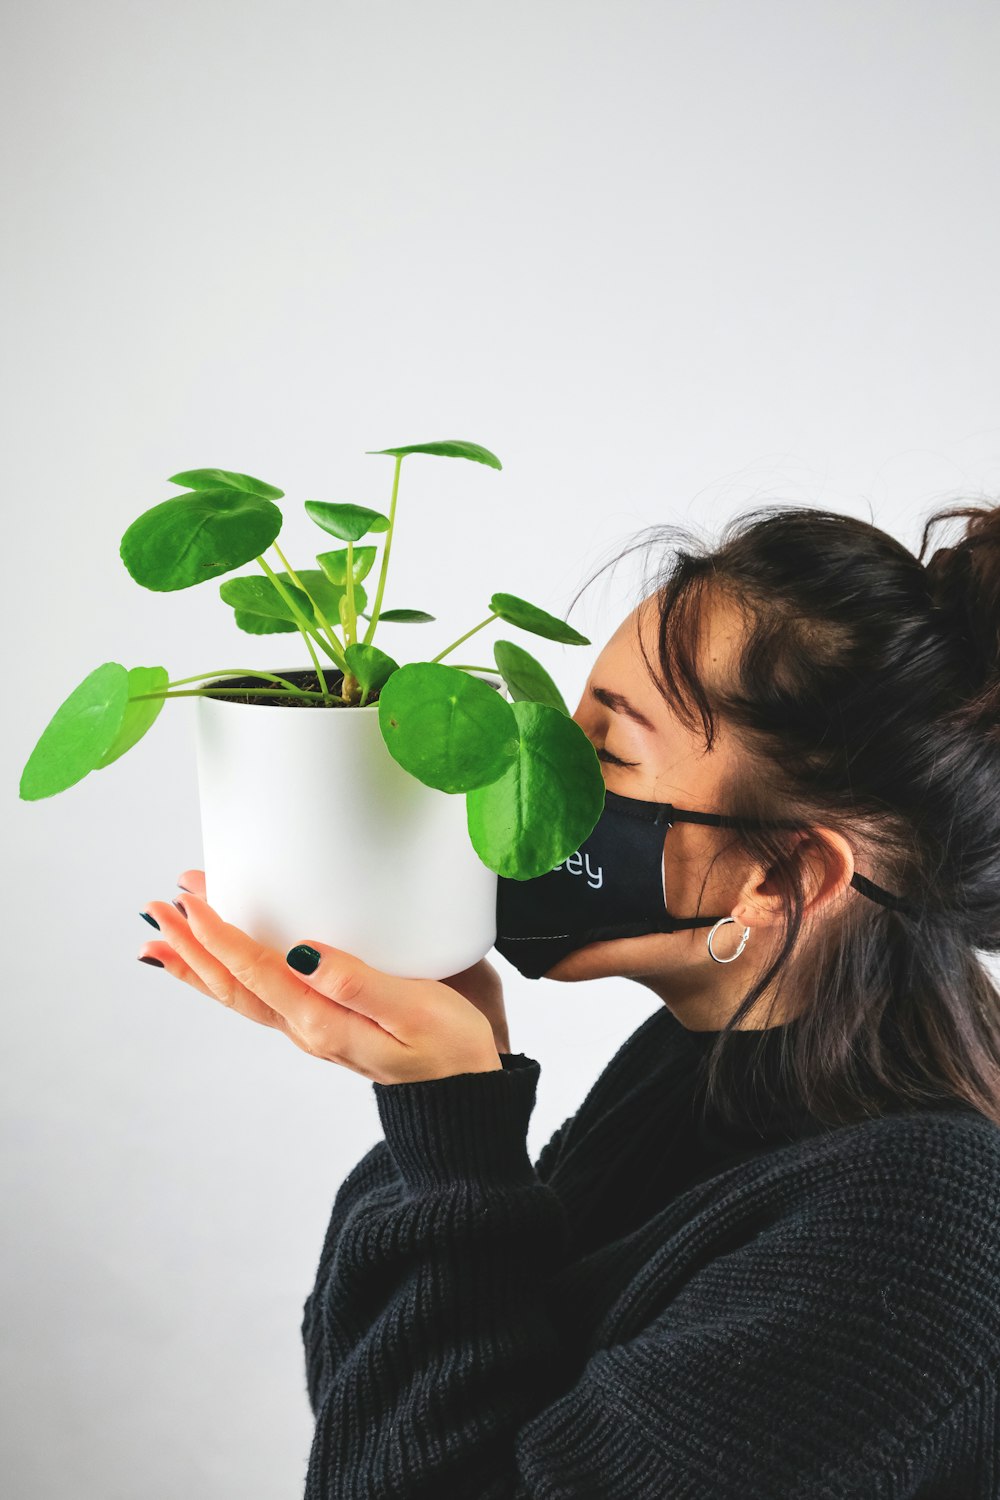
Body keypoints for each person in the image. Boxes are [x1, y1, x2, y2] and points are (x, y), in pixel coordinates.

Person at [139, 501, 1000, 1498]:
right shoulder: (703, 1069)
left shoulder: (921, 1237)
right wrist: (443, 1108)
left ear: (779, 878)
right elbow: (365, 1401)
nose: (523, 767)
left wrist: (453, 1133)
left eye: (610, 751)